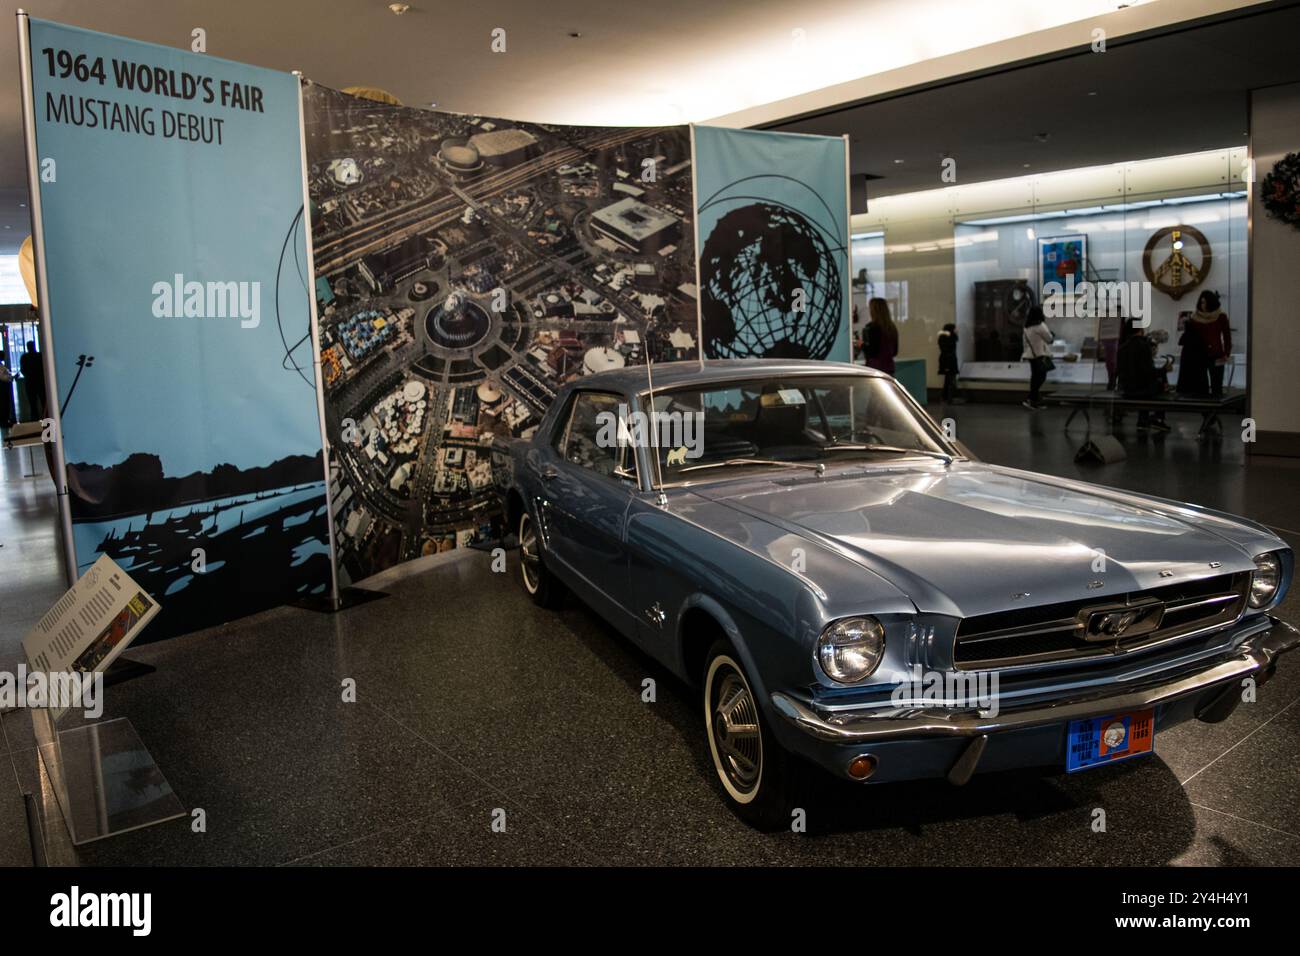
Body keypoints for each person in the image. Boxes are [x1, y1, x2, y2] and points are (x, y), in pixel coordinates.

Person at [1117, 318, 1169, 432]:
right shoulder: (1144, 346)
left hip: (1127, 390)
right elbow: (1148, 373)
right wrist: (1164, 370)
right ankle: (1158, 419)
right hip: (1141, 390)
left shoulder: (1122, 347)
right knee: (1159, 385)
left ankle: (1143, 420)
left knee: (1145, 383)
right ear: (1140, 329)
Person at [1184, 290, 1232, 398]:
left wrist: (1226, 353)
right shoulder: (1195, 318)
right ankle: (1207, 414)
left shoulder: (1220, 316)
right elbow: (1191, 338)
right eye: (1201, 302)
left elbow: (1227, 336)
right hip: (1200, 356)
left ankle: (1214, 412)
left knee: (1217, 386)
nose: (1203, 305)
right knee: (1201, 387)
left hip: (1217, 355)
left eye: (1205, 302)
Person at [1021, 306, 1053, 410]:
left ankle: (1033, 400)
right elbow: (1049, 339)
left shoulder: (1026, 327)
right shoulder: (1040, 325)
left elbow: (1025, 343)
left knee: (1035, 377)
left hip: (1031, 355)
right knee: (1041, 378)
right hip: (1040, 354)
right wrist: (1052, 335)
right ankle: (1031, 399)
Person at [860, 297, 898, 374]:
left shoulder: (871, 327)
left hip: (874, 369)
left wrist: (861, 345)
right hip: (889, 368)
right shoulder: (892, 328)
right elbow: (895, 351)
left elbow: (872, 352)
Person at [19, 340, 46, 420]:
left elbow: (23, 370)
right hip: (40, 382)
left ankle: (35, 419)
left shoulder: (24, 357)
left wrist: (28, 375)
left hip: (30, 382)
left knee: (32, 403)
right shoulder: (40, 356)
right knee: (43, 401)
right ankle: (46, 417)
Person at [937, 323, 960, 403]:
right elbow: (948, 349)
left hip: (947, 360)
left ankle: (946, 396)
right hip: (949, 361)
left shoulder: (943, 337)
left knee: (948, 379)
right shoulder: (949, 338)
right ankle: (948, 397)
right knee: (950, 380)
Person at [0, 355, 14, 429]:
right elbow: (3, 377)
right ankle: (4, 421)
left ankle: (5, 420)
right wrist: (10, 377)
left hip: (3, 387)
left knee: (4, 403)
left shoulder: (1, 365)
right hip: (2, 387)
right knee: (4, 404)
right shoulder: (1, 366)